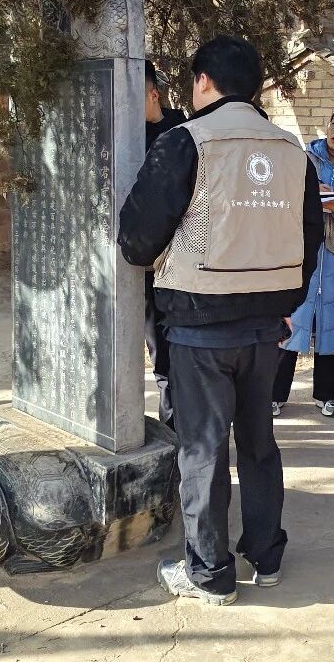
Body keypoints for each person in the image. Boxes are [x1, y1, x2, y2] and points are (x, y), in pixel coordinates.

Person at [118, 36, 323, 606]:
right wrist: (284, 300)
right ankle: (267, 554)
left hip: (199, 326)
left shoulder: (187, 141)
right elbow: (310, 237)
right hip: (266, 328)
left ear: (203, 81)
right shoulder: (292, 150)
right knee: (259, 444)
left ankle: (209, 573)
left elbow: (136, 239)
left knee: (204, 452)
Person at [272, 107, 334, 419]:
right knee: (292, 321)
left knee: (333, 324)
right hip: (303, 253)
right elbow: (283, 200)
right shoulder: (303, 160)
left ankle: (328, 395)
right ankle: (274, 395)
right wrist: (312, 195)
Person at [143, 60, 186, 428]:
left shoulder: (181, 130)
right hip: (142, 256)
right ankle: (170, 422)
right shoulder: (124, 132)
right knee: (157, 343)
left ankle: (179, 427)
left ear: (153, 94)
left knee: (178, 343)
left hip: (179, 256)